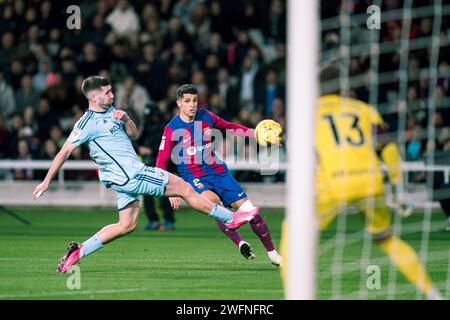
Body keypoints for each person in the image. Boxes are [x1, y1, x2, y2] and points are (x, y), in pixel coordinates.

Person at [32, 76, 259, 273]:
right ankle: (232, 218)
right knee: (183, 187)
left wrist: (126, 119)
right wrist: (46, 181)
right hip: (132, 175)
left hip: (121, 179)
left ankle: (79, 251)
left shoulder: (112, 112)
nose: (112, 94)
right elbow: (64, 151)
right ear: (93, 97)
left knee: (126, 225)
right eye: (107, 92)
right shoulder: (86, 123)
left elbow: (134, 134)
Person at [280, 65, 441, 300]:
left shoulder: (308, 113)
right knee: (386, 239)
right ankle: (433, 293)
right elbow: (388, 147)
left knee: (293, 232)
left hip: (334, 183)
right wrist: (398, 188)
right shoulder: (364, 109)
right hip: (371, 181)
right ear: (344, 87)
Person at [155, 84, 282, 266]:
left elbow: (229, 127)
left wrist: (254, 134)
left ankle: (273, 254)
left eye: (195, 100)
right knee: (215, 205)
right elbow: (160, 162)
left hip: (218, 172)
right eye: (187, 101)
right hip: (194, 177)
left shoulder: (206, 116)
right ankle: (240, 241)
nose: (192, 105)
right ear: (178, 103)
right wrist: (171, 192)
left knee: (252, 213)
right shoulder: (171, 129)